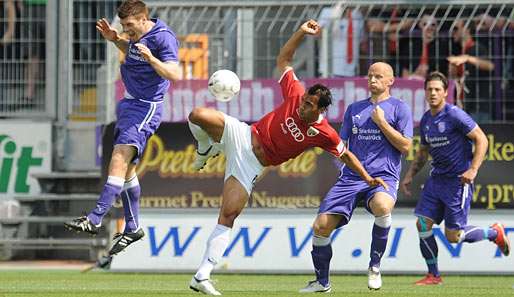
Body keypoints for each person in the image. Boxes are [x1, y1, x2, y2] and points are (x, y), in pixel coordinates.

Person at [187, 20, 387, 296]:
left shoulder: (324, 133)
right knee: (198, 114)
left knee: (229, 214)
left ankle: (202, 275)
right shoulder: (294, 92)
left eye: (308, 104)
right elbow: (284, 58)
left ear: (320, 110)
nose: (302, 103)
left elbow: (347, 155)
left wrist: (367, 178)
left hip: (251, 165)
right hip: (244, 136)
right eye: (304, 99)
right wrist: (301, 33)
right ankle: (205, 148)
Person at [64, 0, 181, 255]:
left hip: (145, 107)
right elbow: (132, 50)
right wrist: (115, 39)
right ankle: (133, 226)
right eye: (124, 25)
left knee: (118, 157)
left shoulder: (163, 38)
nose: (127, 29)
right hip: (129, 104)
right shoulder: (134, 36)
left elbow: (174, 74)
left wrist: (152, 59)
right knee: (127, 171)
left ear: (143, 19)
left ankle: (94, 219)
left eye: (129, 25)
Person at [300, 61, 413, 293]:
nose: (373, 80)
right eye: (370, 76)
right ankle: (322, 282)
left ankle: (374, 266)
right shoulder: (354, 109)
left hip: (383, 176)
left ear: (390, 81)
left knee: (382, 206)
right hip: (351, 178)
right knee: (320, 226)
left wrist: (381, 123)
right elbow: (340, 146)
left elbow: (405, 146)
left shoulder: (400, 108)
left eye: (379, 76)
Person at [400, 71, 510, 286]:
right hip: (435, 180)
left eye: (437, 89)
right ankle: (434, 275)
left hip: (458, 182)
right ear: (425, 92)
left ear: (445, 92)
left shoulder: (455, 115)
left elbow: (481, 139)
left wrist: (473, 169)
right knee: (422, 224)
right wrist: (410, 175)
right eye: (429, 89)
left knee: (454, 236)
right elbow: (423, 152)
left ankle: (494, 233)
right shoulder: (425, 120)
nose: (432, 93)